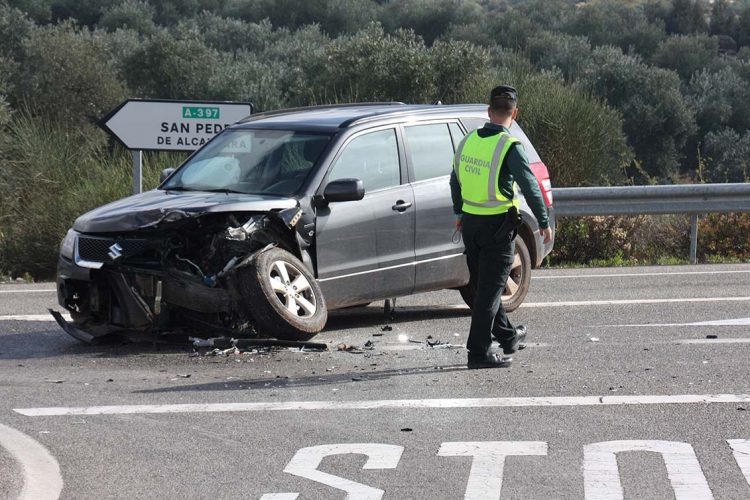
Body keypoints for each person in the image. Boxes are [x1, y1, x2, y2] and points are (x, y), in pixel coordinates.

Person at [450, 85, 552, 369]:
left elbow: (453, 179)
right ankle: (478, 353)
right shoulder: (509, 145)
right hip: (497, 228)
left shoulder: (468, 140)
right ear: (515, 114)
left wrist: (459, 211)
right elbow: (530, 185)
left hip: (470, 225)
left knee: (485, 287)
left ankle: (508, 337)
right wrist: (543, 222)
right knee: (489, 292)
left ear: (488, 111)